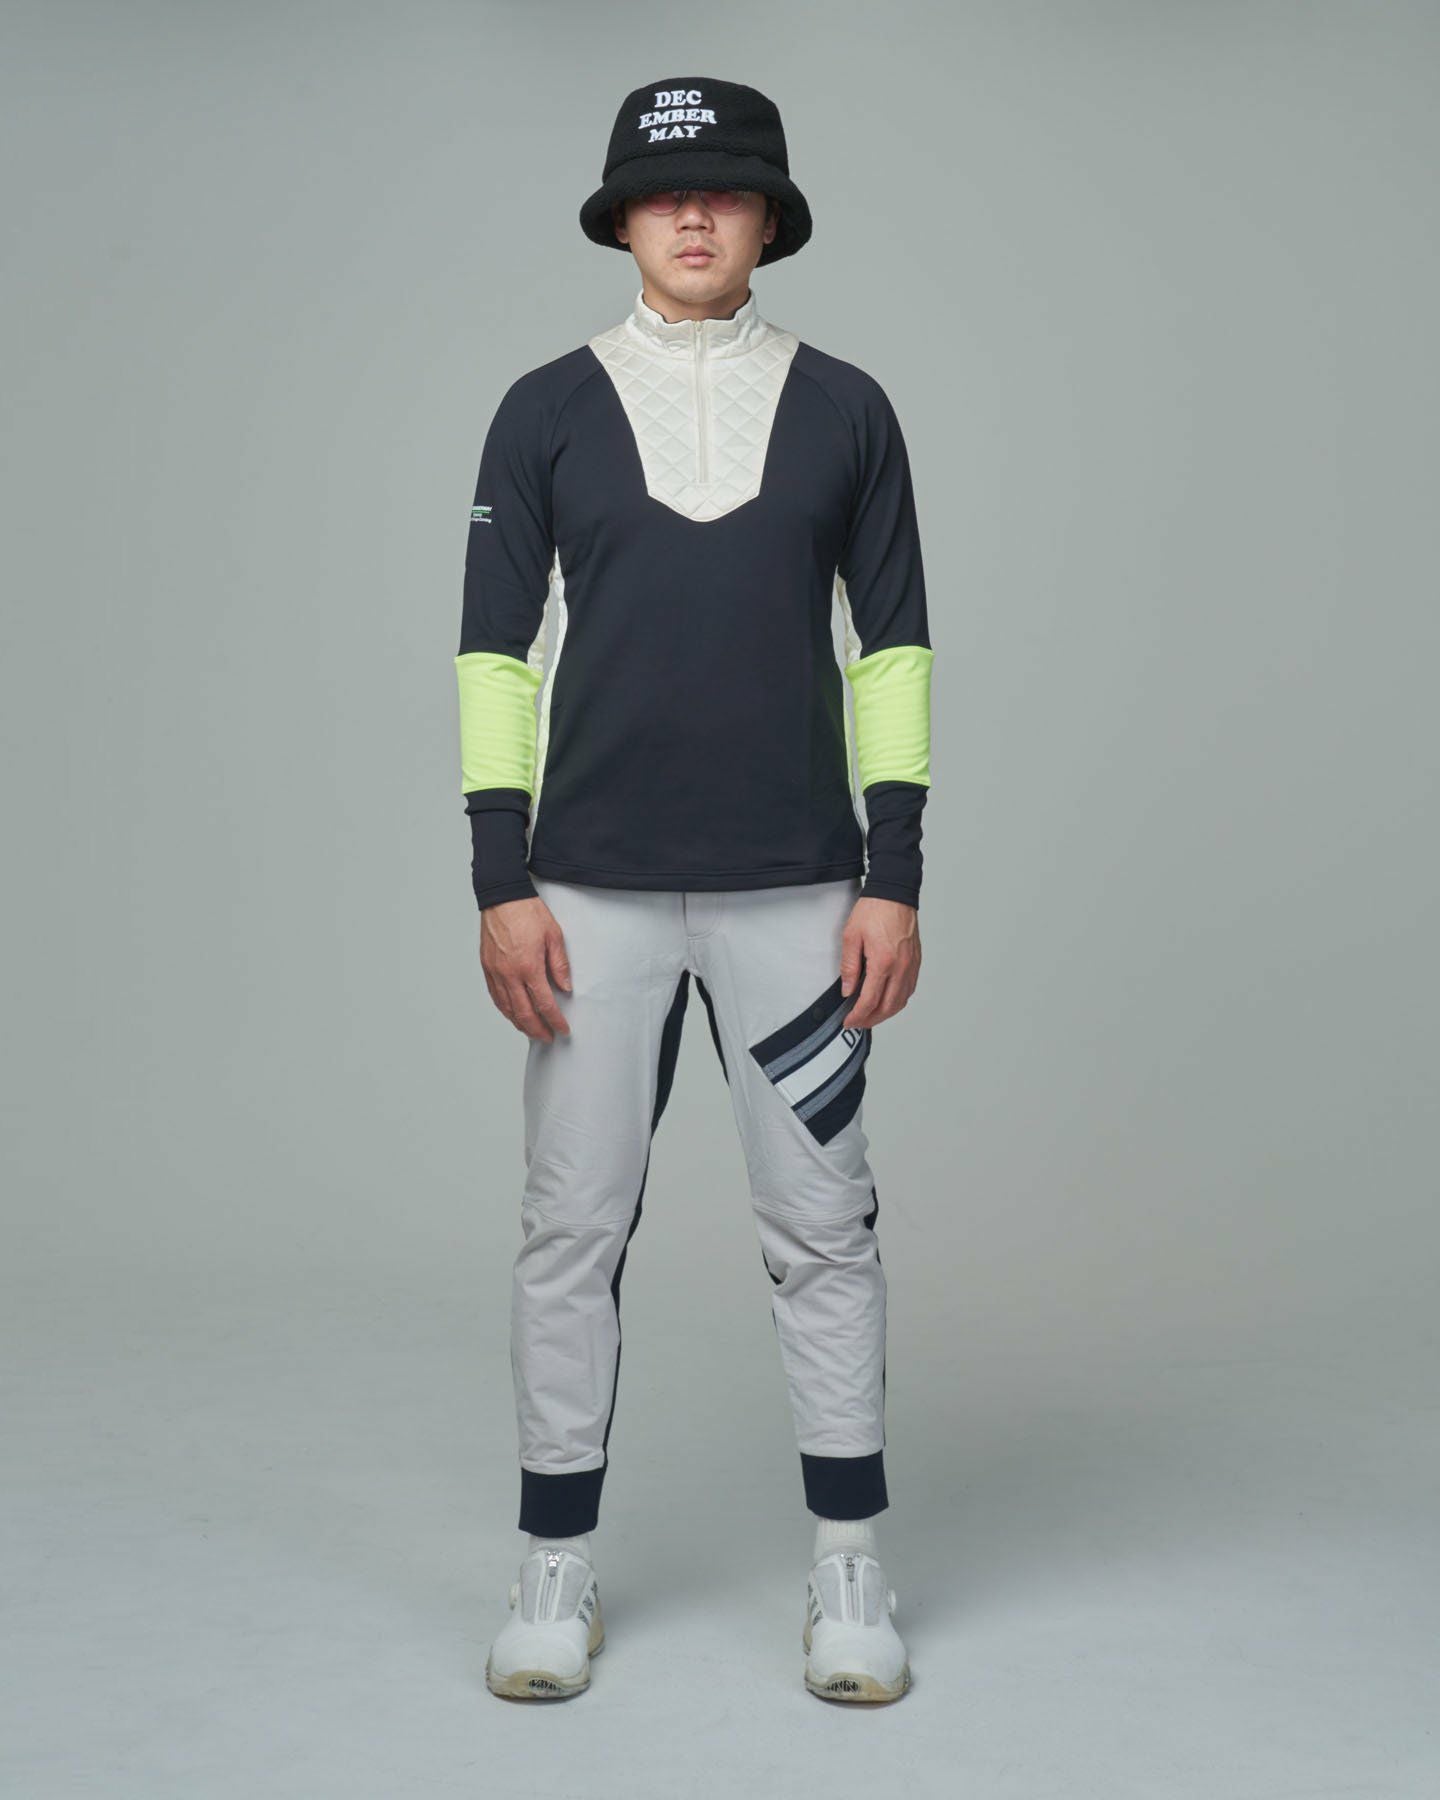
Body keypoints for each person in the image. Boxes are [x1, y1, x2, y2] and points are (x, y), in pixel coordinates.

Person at [454, 76, 933, 1705]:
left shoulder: (849, 407)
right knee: (569, 1230)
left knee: (824, 1226)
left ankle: (850, 1566)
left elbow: (893, 649)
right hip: (586, 897)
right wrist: (499, 875)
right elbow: (493, 655)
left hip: (798, 893)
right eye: (667, 194)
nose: (696, 216)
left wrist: (895, 872)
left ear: (770, 219)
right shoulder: (546, 409)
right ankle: (553, 1572)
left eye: (727, 192)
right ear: (623, 220)